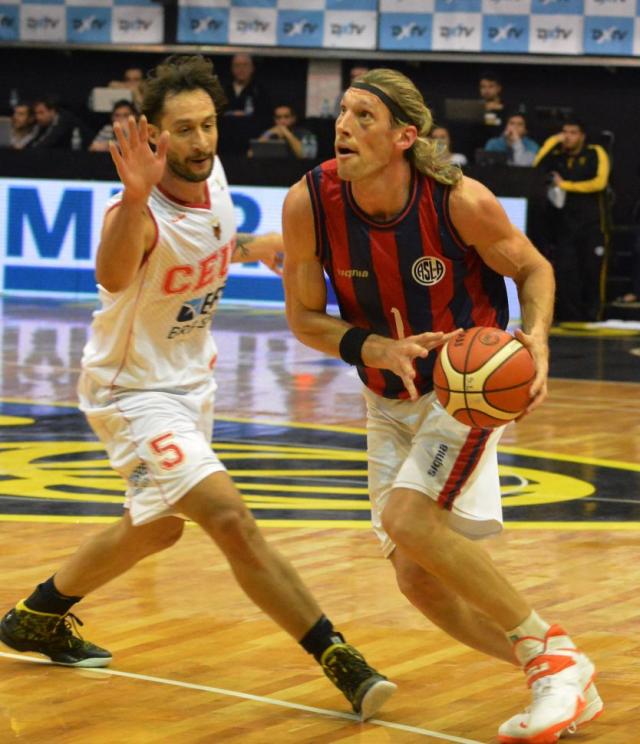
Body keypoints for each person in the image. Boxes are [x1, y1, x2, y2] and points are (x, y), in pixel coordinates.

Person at [0, 55, 396, 723]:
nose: (201, 142)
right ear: (152, 134)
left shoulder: (212, 174)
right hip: (132, 391)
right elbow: (114, 271)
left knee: (156, 530)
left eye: (208, 125)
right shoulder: (139, 210)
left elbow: (212, 243)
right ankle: (339, 658)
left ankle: (36, 616)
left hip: (191, 382)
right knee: (228, 518)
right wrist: (130, 197)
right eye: (183, 130)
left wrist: (259, 244)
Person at [282, 68, 602, 743]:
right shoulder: (309, 201)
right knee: (416, 580)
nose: (344, 126)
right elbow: (305, 318)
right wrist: (376, 350)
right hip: (386, 392)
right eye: (343, 113)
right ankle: (555, 667)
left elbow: (534, 268)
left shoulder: (459, 201)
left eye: (364, 116)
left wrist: (536, 340)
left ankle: (551, 653)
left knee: (406, 515)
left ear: (405, 136)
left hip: (463, 389)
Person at [534, 119, 611, 322]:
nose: (567, 136)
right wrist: (552, 141)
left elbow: (599, 182)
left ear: (582, 135)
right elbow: (534, 169)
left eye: (573, 132)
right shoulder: (557, 157)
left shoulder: (595, 152)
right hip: (564, 226)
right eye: (564, 132)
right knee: (566, 272)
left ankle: (593, 317)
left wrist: (566, 185)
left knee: (591, 271)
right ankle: (570, 318)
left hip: (592, 224)